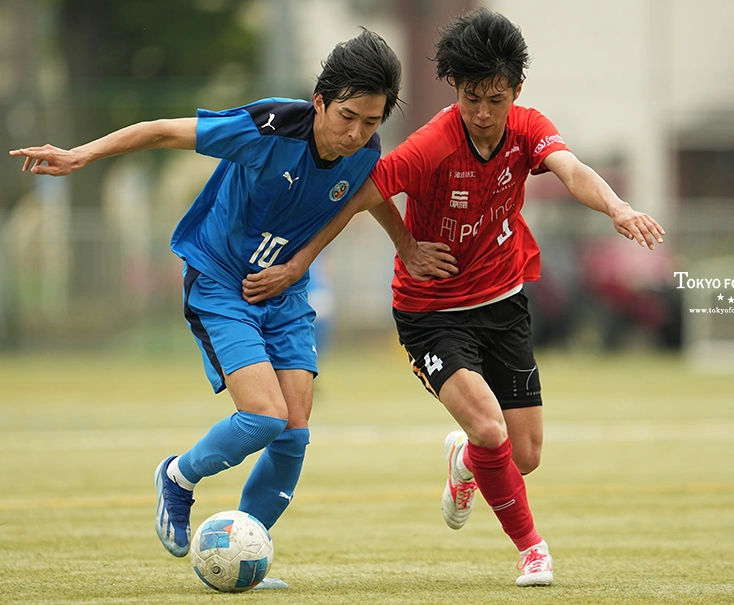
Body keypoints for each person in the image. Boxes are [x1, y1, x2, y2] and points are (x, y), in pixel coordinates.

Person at [242, 8, 664, 587]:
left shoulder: (528, 127)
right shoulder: (431, 146)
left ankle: (463, 461)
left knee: (526, 453)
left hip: (505, 301)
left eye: (496, 98)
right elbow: (358, 193)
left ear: (516, 90)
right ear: (455, 90)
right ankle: (532, 549)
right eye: (471, 98)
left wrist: (618, 207)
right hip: (430, 313)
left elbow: (571, 169)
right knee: (490, 428)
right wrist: (304, 262)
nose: (484, 114)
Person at [9, 30, 403, 587]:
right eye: (347, 116)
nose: (357, 133)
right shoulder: (268, 129)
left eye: (371, 121)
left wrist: (378, 252)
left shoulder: (365, 150)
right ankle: (177, 475)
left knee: (293, 435)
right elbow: (162, 130)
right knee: (265, 417)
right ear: (319, 101)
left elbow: (370, 195)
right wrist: (81, 155)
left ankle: (245, 549)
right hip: (220, 282)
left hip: (284, 292)